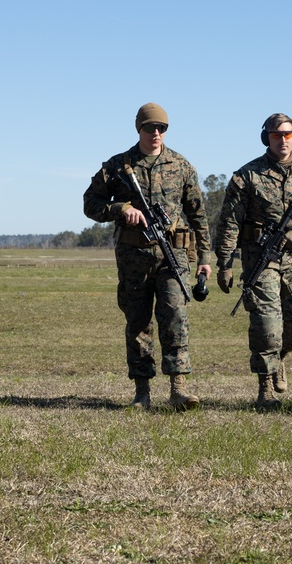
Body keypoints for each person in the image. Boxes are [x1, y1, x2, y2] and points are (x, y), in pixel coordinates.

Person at [83, 102, 211, 411]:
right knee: (138, 321)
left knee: (175, 317)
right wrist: (121, 209)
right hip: (133, 258)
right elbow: (90, 204)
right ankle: (142, 393)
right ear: (139, 128)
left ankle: (178, 389)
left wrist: (205, 257)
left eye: (162, 128)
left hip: (173, 257)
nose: (156, 133)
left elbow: (199, 215)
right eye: (150, 127)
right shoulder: (117, 166)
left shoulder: (181, 166)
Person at [214, 113, 292, 410]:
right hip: (259, 260)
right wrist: (225, 263)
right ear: (267, 137)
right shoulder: (246, 176)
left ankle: (278, 359)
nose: (283, 140)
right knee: (267, 326)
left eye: (288, 134)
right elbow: (229, 222)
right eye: (276, 135)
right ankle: (265, 389)